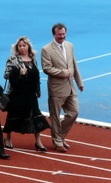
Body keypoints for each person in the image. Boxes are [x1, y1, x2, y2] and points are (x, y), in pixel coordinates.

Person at [41, 23, 84, 152]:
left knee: (74, 113)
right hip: (57, 89)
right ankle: (58, 141)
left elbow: (74, 64)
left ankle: (60, 136)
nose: (62, 36)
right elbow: (46, 68)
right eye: (59, 34)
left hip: (70, 86)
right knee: (55, 116)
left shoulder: (70, 46)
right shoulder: (46, 49)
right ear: (54, 35)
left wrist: (79, 82)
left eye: (64, 34)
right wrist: (62, 73)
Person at [2, 36, 50, 151]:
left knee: (35, 115)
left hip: (30, 93)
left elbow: (36, 76)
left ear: (28, 46)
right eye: (20, 46)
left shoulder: (33, 59)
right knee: (13, 115)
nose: (22, 48)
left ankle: (38, 141)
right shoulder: (13, 59)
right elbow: (6, 75)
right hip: (17, 92)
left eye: (24, 45)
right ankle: (8, 138)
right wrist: (19, 73)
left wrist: (38, 91)